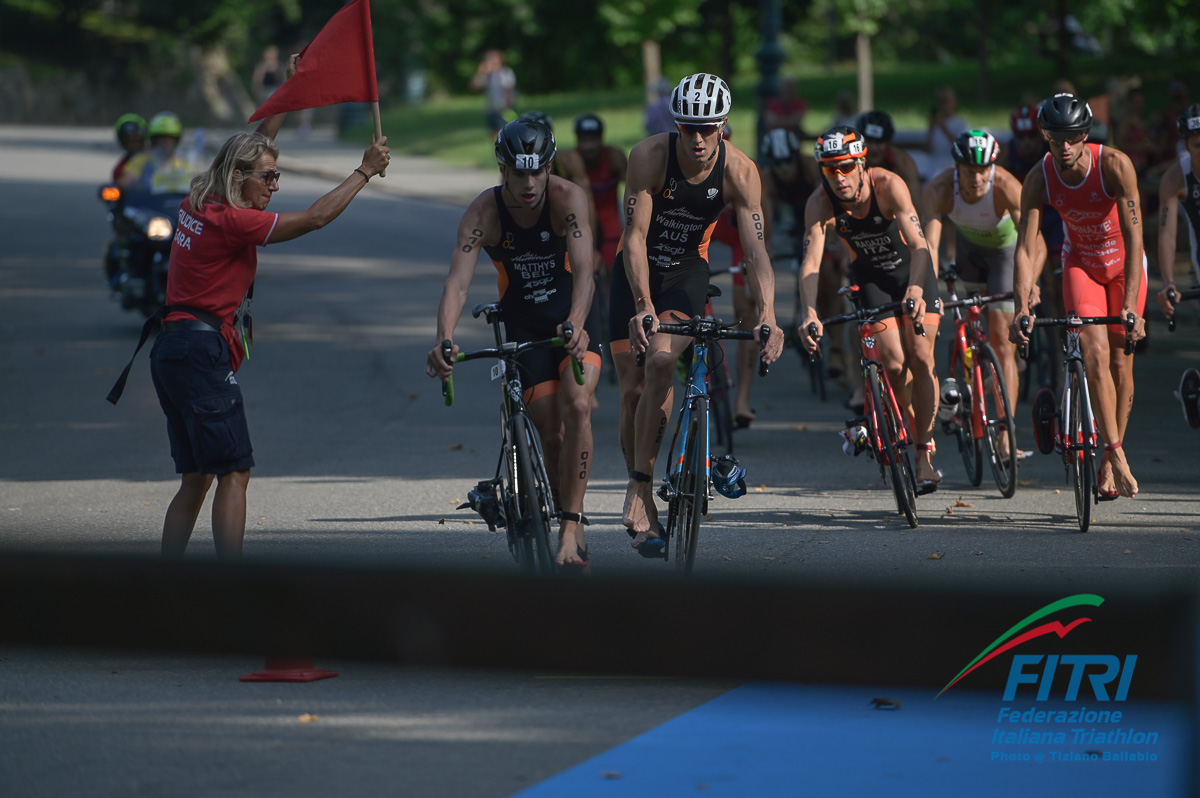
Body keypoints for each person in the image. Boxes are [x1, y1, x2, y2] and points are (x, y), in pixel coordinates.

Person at [145, 54, 390, 560]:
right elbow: (317, 217)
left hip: (170, 350)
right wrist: (364, 170)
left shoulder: (199, 199)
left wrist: (294, 87)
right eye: (269, 178)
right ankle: (235, 590)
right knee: (234, 470)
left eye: (276, 176)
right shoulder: (236, 222)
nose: (274, 186)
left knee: (197, 476)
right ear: (241, 177)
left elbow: (254, 143)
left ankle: (162, 586)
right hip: (198, 352)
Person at [613, 72, 783, 552]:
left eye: (710, 127)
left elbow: (756, 253)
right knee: (631, 389)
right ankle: (637, 482)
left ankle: (642, 491)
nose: (700, 137)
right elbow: (634, 239)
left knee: (663, 362)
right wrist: (643, 304)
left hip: (687, 273)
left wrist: (768, 312)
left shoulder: (741, 171)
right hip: (636, 271)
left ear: (724, 124)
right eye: (690, 128)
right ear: (677, 125)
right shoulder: (648, 157)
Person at [425, 119, 601, 570]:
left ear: (548, 167)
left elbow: (585, 272)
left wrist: (577, 324)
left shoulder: (567, 199)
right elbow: (457, 284)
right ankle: (554, 504)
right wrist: (444, 339)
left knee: (579, 405)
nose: (528, 184)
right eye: (518, 173)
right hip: (522, 326)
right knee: (550, 430)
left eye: (537, 172)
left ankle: (571, 524)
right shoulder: (483, 214)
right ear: (502, 168)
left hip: (571, 320)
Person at [1009, 93, 1147, 499]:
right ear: (1045, 138)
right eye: (1054, 139)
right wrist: (1021, 305)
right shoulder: (1040, 177)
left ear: (1085, 134)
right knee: (1094, 355)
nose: (1063, 147)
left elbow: (1136, 235)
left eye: (1071, 138)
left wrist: (1130, 305)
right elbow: (1025, 246)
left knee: (1123, 366)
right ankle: (1117, 453)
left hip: (1123, 268)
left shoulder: (1114, 165)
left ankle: (1107, 455)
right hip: (1081, 266)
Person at [797, 125, 943, 491]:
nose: (840, 177)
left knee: (921, 356)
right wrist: (809, 312)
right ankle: (913, 424)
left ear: (862, 163)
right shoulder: (820, 202)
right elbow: (811, 262)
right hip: (873, 280)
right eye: (831, 170)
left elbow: (920, 243)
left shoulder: (889, 185)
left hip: (913, 272)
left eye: (846, 167)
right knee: (893, 364)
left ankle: (924, 454)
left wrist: (915, 286)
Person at [922, 130, 1026, 458]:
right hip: (969, 255)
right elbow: (929, 246)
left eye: (984, 170)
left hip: (1005, 256)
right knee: (969, 327)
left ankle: (1007, 431)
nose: (977, 177)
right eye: (969, 171)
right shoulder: (939, 189)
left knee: (1001, 342)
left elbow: (1030, 243)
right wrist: (928, 291)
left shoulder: (1007, 186)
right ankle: (971, 390)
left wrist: (1030, 285)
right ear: (956, 168)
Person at [572, 113, 628, 291]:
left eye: (593, 140)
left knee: (615, 270)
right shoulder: (572, 161)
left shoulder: (615, 157)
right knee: (581, 270)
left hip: (609, 219)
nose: (589, 146)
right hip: (582, 220)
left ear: (601, 139)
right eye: (584, 140)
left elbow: (635, 191)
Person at [857, 110, 923, 202]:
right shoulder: (852, 161)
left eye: (879, 142)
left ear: (888, 142)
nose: (874, 148)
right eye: (869, 142)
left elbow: (917, 202)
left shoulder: (903, 163)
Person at [119, 112, 192, 194]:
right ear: (154, 140)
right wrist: (123, 184)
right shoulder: (140, 159)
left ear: (176, 141)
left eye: (170, 139)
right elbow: (126, 179)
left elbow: (196, 179)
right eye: (161, 138)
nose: (166, 143)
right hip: (145, 205)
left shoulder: (183, 162)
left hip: (175, 205)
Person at [919, 86, 970, 180]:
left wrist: (944, 128)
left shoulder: (961, 124)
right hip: (934, 172)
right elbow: (927, 149)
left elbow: (962, 147)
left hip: (953, 172)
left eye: (946, 101)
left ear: (954, 102)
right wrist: (931, 129)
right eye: (940, 101)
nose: (943, 105)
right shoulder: (934, 124)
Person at [471, 50, 517, 136]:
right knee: (494, 134)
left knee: (502, 133)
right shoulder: (487, 75)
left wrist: (508, 107)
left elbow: (510, 91)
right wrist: (482, 72)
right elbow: (474, 86)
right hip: (491, 109)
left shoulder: (506, 72)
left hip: (503, 109)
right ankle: (498, 149)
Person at [112, 113, 146, 183]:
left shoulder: (154, 159)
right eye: (127, 139)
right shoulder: (120, 169)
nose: (132, 143)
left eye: (136, 138)